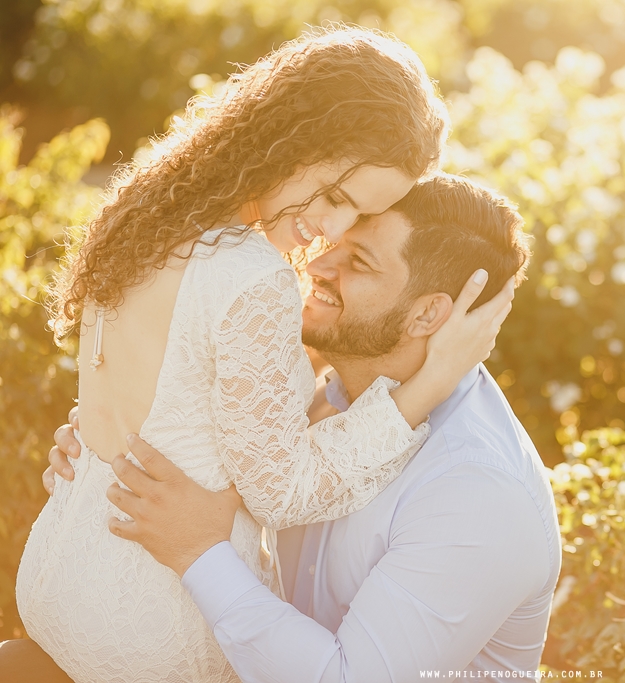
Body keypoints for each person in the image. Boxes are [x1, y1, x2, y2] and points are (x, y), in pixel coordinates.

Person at [13, 27, 513, 683]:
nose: (329, 230)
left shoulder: (148, 207)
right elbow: (284, 490)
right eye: (335, 197)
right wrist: (428, 382)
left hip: (60, 569)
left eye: (356, 218)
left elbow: (184, 405)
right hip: (149, 628)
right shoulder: (250, 273)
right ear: (295, 131)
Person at [44, 174, 560, 682]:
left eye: (357, 261)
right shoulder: (318, 394)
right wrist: (105, 453)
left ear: (427, 314)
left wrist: (199, 551)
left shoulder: (479, 492)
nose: (316, 263)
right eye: (334, 242)